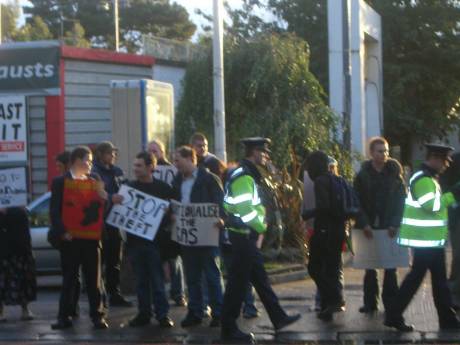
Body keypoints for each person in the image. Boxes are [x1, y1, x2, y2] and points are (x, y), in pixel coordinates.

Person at [221, 137, 301, 344]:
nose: (266, 156)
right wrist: (262, 226)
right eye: (262, 152)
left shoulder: (248, 174)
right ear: (252, 153)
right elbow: (246, 212)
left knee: (261, 280)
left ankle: (279, 317)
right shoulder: (244, 176)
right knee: (237, 284)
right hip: (244, 235)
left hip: (245, 236)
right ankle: (228, 328)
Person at [384, 143, 460, 331]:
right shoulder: (424, 179)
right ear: (434, 158)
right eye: (444, 160)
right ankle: (394, 315)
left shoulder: (429, 177)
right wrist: (454, 194)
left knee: (437, 281)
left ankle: (447, 319)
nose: (447, 164)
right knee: (419, 280)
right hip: (425, 241)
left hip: (430, 241)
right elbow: (432, 206)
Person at [50, 146, 108, 330]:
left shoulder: (96, 180)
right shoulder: (61, 182)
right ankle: (63, 316)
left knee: (94, 279)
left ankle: (97, 316)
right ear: (76, 160)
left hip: (91, 239)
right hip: (70, 239)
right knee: (69, 279)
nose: (90, 164)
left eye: (91, 161)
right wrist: (62, 231)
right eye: (87, 160)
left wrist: (104, 199)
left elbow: (101, 211)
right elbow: (55, 210)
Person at [172, 146, 225, 328]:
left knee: (211, 274)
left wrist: (221, 219)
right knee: (192, 276)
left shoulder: (209, 179)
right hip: (188, 236)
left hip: (207, 234)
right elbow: (175, 201)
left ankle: (219, 313)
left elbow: (220, 202)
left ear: (190, 159)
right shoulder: (177, 180)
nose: (175, 164)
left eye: (178, 160)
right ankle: (195, 312)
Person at [122, 152, 174, 328]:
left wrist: (168, 214)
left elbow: (173, 216)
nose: (135, 169)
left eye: (139, 166)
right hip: (135, 243)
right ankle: (144, 314)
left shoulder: (164, 189)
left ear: (151, 167)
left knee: (158, 281)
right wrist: (115, 202)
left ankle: (162, 315)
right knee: (141, 282)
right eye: (134, 165)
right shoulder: (129, 188)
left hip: (156, 244)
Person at [353, 137, 406, 314]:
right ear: (371, 153)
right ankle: (370, 303)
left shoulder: (394, 174)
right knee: (370, 266)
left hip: (389, 226)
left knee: (390, 268)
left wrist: (394, 223)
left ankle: (391, 304)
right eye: (380, 151)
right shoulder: (363, 175)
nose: (384, 154)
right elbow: (356, 201)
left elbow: (401, 201)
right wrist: (364, 223)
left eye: (386, 151)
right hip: (369, 226)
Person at [302, 150, 347, 322]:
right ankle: (329, 305)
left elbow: (324, 208)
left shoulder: (320, 181)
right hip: (337, 231)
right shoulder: (336, 179)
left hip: (324, 231)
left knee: (314, 267)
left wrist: (307, 214)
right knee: (332, 269)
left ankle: (334, 299)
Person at [92, 141, 131, 307]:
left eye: (114, 153)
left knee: (115, 261)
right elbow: (96, 195)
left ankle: (114, 293)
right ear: (101, 154)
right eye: (110, 152)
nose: (113, 155)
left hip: (116, 222)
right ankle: (99, 296)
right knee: (99, 262)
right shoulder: (94, 173)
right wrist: (110, 198)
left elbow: (127, 189)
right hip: (101, 223)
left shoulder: (118, 172)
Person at [147, 139, 186, 307]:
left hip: (170, 221)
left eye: (155, 150)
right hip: (153, 221)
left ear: (162, 152)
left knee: (174, 259)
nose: (152, 153)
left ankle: (178, 293)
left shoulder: (173, 171)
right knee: (156, 260)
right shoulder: (146, 171)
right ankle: (158, 294)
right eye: (150, 150)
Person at [0, 207, 36, 322]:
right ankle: (2, 311)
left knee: (22, 277)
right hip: (6, 246)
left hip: (19, 243)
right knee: (4, 278)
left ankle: (24, 309)